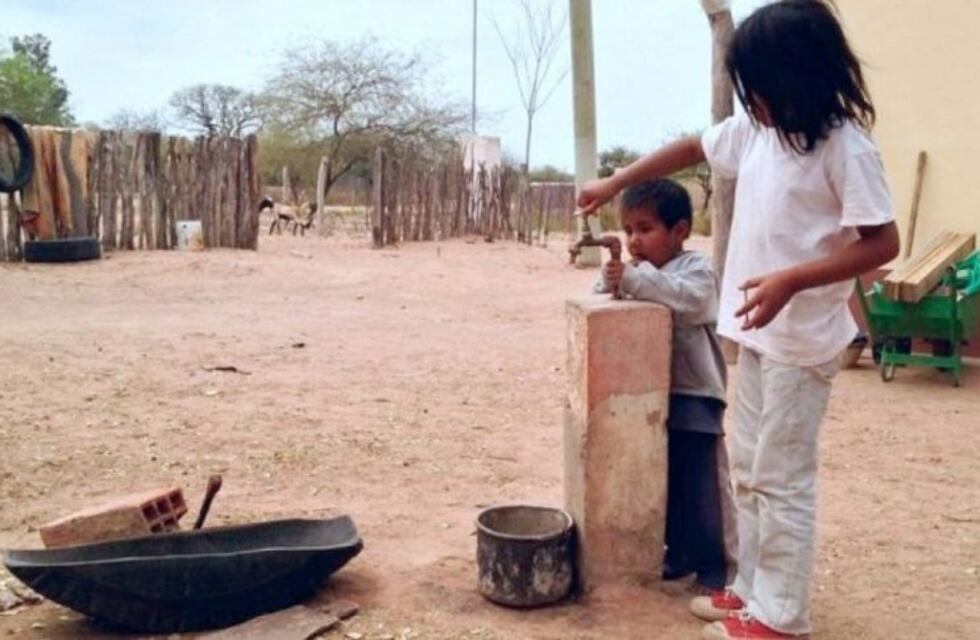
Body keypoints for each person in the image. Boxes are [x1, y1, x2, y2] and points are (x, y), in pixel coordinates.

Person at [577, 2, 900, 638]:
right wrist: (618, 180)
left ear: (800, 77)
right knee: (750, 466)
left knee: (781, 477)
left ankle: (781, 617)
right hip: (754, 332)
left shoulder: (844, 148)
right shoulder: (758, 132)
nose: (751, 102)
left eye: (759, 87)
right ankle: (752, 590)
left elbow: (882, 243)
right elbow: (694, 144)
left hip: (801, 341)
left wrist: (792, 280)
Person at [593, 179, 737, 596]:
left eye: (645, 229)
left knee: (703, 483)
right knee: (667, 480)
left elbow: (691, 302)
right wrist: (610, 281)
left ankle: (718, 566)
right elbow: (604, 301)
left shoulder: (695, 270)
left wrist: (633, 279)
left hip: (696, 393)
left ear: (680, 231)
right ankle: (680, 552)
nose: (635, 241)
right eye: (629, 230)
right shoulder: (639, 273)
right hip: (652, 394)